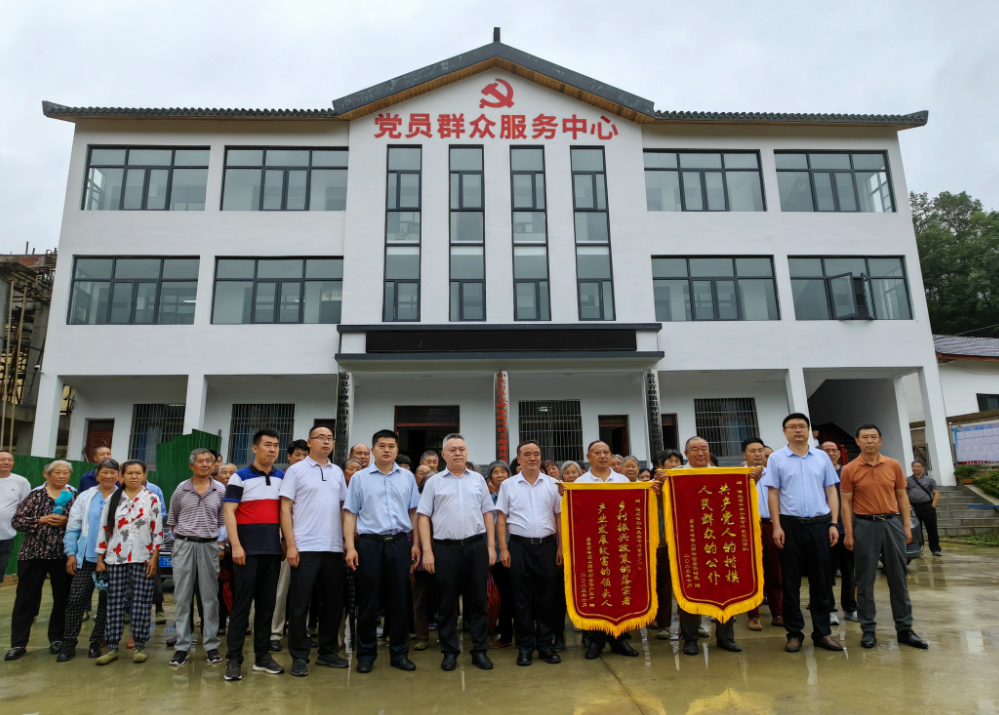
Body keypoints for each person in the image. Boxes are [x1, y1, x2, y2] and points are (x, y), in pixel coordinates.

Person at [841, 424, 928, 650]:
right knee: (865, 581)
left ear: (880, 441)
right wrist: (849, 532)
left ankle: (905, 630)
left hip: (892, 524)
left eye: (874, 437)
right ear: (857, 441)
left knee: (898, 579)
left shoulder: (893, 465)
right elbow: (846, 503)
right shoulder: (850, 469)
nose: (869, 441)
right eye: (865, 437)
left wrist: (906, 526)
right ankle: (868, 631)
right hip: (864, 526)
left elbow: (902, 496)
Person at [762, 413, 843, 653]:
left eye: (802, 426)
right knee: (790, 582)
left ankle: (822, 633)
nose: (798, 430)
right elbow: (773, 493)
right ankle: (794, 633)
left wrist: (834, 523)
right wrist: (777, 526)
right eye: (792, 427)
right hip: (790, 526)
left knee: (821, 582)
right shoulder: (776, 458)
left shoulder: (821, 457)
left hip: (820, 525)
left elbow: (831, 491)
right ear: (785, 432)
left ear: (809, 431)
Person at [343, 429, 421, 674]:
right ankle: (366, 655)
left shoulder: (407, 478)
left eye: (391, 446)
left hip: (399, 542)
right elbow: (350, 513)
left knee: (399, 600)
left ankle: (400, 654)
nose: (387, 450)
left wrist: (416, 544)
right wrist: (350, 547)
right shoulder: (360, 478)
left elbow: (414, 512)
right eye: (382, 446)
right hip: (369, 544)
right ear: (373, 450)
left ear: (397, 450)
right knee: (368, 601)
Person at [418, 433, 496, 672]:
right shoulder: (434, 482)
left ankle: (479, 650)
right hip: (445, 549)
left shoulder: (478, 480)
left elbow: (488, 513)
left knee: (478, 601)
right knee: (447, 603)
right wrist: (427, 551)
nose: (458, 453)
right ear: (444, 454)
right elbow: (423, 517)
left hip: (476, 546)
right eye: (452, 450)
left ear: (466, 452)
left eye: (461, 449)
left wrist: (491, 546)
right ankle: (449, 652)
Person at [674, 437, 754, 655]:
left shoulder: (723, 475)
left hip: (721, 541)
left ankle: (726, 637)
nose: (700, 453)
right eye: (695, 449)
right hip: (689, 543)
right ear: (686, 453)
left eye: (704, 448)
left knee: (725, 587)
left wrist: (750, 481)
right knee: (690, 587)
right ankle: (690, 639)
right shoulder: (675, 475)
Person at [280, 426, 348, 677]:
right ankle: (299, 656)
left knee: (332, 602)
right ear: (309, 442)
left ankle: (328, 652)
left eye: (330, 438)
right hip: (305, 546)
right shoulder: (296, 470)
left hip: (333, 547)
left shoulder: (337, 471)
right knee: (300, 604)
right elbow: (285, 509)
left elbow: (343, 508)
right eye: (321, 438)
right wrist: (291, 544)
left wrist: (345, 541)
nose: (326, 441)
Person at [223, 429, 286, 681]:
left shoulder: (282, 476)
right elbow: (229, 513)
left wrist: (285, 542)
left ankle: (262, 657)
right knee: (241, 607)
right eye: (267, 445)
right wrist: (236, 545)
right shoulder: (240, 477)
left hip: (272, 551)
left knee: (266, 607)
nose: (272, 449)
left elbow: (285, 513)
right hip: (246, 552)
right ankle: (233, 659)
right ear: (255, 448)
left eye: (276, 445)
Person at [570, 440, 640, 659]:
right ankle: (596, 641)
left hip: (618, 547)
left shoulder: (622, 480)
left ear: (611, 456)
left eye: (606, 452)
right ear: (588, 457)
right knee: (595, 592)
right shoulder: (580, 483)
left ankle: (618, 639)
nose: (602, 456)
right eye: (597, 452)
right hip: (592, 548)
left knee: (618, 591)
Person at [496, 440, 562, 666]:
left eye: (536, 453)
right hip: (518, 546)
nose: (532, 458)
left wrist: (561, 546)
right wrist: (503, 549)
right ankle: (524, 647)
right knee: (520, 599)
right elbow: (501, 519)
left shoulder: (553, 484)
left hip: (546, 546)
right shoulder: (508, 485)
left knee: (547, 598)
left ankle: (546, 646)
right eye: (527, 454)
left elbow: (559, 516)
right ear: (519, 459)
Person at [5, 460, 76, 661]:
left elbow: (82, 521)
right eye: (57, 472)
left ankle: (57, 639)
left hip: (62, 555)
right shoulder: (36, 495)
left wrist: (66, 521)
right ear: (46, 474)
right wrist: (40, 520)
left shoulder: (74, 496)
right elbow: (17, 521)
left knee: (63, 599)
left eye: (65, 473)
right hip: (33, 554)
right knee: (25, 599)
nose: (61, 476)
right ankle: (18, 644)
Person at [95, 460, 163, 665]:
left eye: (138, 473)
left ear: (144, 476)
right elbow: (104, 529)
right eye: (129, 473)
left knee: (142, 601)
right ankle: (113, 647)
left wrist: (154, 558)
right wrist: (100, 559)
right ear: (121, 476)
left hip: (143, 557)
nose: (134, 476)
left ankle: (139, 645)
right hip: (116, 558)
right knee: (114, 601)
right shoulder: (113, 499)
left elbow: (157, 530)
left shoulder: (151, 498)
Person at [168, 448, 227, 667]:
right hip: (184, 545)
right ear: (191, 465)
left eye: (208, 461)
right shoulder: (181, 489)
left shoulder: (220, 489)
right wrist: (180, 543)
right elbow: (172, 520)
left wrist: (220, 545)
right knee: (182, 597)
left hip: (209, 546)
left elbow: (223, 522)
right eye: (200, 461)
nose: (205, 464)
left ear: (213, 465)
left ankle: (211, 644)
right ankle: (182, 646)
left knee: (209, 597)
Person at [59, 458, 118, 662]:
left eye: (113, 472)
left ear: (118, 475)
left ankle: (95, 643)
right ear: (97, 475)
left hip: (112, 560)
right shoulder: (85, 496)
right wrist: (71, 553)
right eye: (104, 472)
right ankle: (68, 644)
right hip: (86, 558)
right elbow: (73, 526)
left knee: (106, 603)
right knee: (76, 601)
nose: (108, 476)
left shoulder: (123, 497)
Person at [269, 439, 310, 653]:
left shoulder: (314, 477)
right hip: (285, 540)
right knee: (281, 589)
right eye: (298, 455)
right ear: (289, 457)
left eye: (305, 455)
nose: (301, 459)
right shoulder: (280, 478)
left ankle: (301, 632)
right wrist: (285, 540)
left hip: (309, 541)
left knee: (304, 590)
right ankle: (275, 633)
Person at [742, 438, 782, 632]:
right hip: (749, 528)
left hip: (772, 526)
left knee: (775, 572)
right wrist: (750, 481)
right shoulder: (738, 476)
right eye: (753, 451)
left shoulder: (774, 474)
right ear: (744, 454)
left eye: (760, 450)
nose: (758, 454)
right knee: (752, 573)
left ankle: (778, 613)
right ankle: (753, 615)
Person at [821, 441, 857, 625]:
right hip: (825, 529)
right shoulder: (817, 472)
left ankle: (850, 608)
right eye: (826, 450)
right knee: (826, 572)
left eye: (833, 450)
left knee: (849, 571)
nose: (830, 453)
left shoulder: (846, 472)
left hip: (847, 529)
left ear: (838, 453)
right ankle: (829, 609)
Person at [652, 449, 684, 640]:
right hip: (663, 542)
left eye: (677, 460)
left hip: (686, 543)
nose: (674, 464)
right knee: (664, 585)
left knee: (688, 584)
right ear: (660, 466)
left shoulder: (687, 480)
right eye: (670, 461)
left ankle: (691, 625)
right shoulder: (653, 485)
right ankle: (664, 624)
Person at [551, 460, 582, 650]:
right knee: (559, 596)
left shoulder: (587, 493)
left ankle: (588, 634)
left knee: (584, 592)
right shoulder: (556, 494)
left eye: (574, 472)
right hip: (562, 549)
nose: (571, 476)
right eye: (567, 473)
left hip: (583, 551)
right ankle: (559, 636)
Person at [485, 461, 514, 650]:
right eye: (496, 472)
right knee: (505, 595)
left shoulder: (516, 495)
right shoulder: (488, 501)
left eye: (503, 471)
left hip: (518, 551)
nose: (500, 474)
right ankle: (506, 635)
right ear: (490, 479)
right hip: (496, 555)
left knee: (520, 594)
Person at [411, 461, 435, 652]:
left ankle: (447, 636)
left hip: (444, 556)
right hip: (420, 558)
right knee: (420, 599)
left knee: (446, 598)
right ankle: (422, 636)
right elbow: (410, 531)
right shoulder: (416, 504)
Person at [0, 450, 31, 582]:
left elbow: (26, 507)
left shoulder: (21, 481)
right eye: (2, 459)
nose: (6, 462)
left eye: (10, 460)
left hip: (6, 537)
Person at [907, 460, 941, 557]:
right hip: (913, 507)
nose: (915, 468)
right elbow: (904, 493)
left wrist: (933, 505)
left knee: (932, 528)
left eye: (918, 466)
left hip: (927, 506)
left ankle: (935, 549)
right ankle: (919, 549)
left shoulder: (929, 479)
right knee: (916, 529)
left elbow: (936, 493)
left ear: (923, 468)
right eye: (914, 466)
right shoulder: (907, 480)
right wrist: (908, 504)